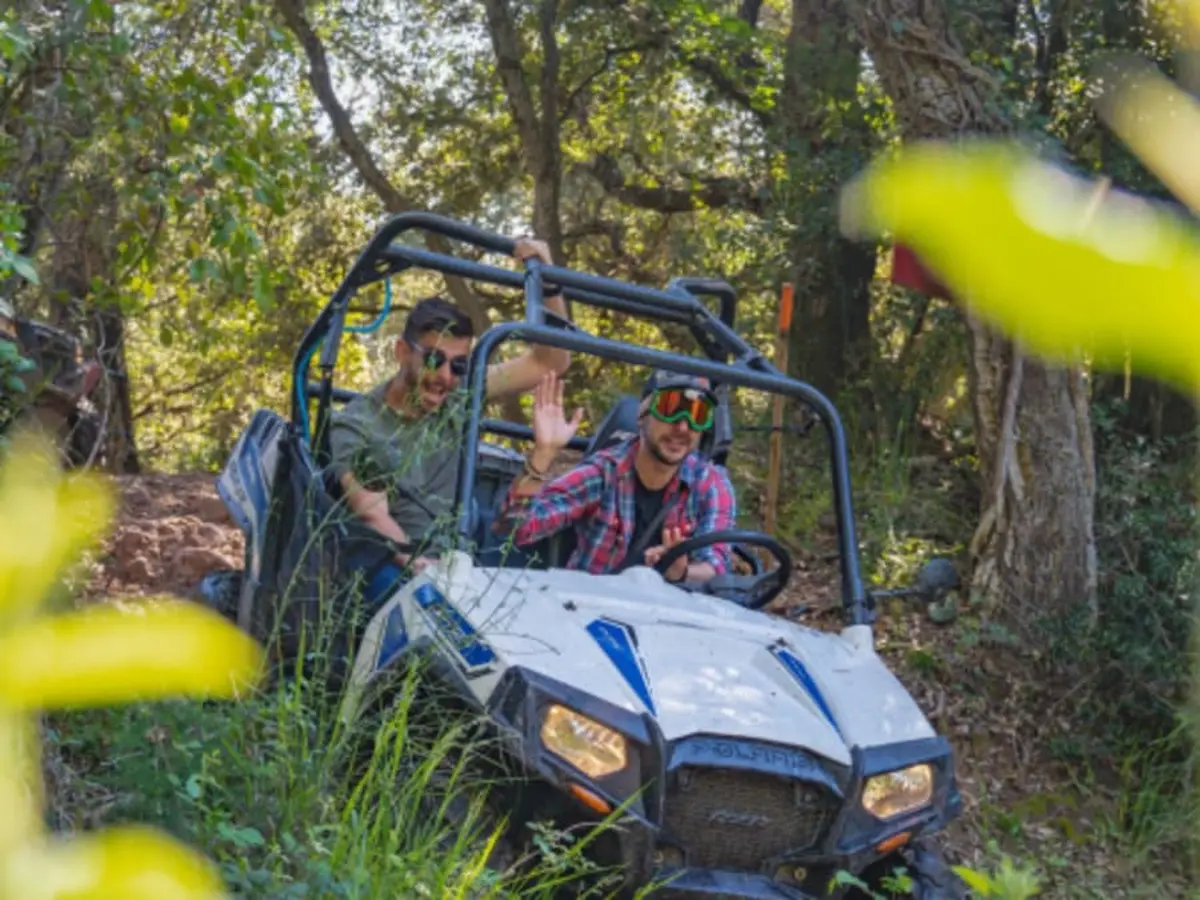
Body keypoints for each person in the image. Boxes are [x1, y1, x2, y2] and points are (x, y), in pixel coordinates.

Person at [329, 237, 571, 576]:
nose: (444, 376)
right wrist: (422, 569)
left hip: (455, 562)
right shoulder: (358, 423)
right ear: (401, 352)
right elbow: (372, 513)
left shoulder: (461, 395)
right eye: (433, 359)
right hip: (390, 562)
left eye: (458, 365)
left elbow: (552, 361)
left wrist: (548, 282)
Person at [495, 368, 738, 582]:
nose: (683, 426)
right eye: (670, 408)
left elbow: (715, 564)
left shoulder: (710, 484)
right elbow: (515, 531)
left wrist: (682, 573)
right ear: (643, 415)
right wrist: (543, 454)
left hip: (669, 622)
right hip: (585, 614)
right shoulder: (604, 474)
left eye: (697, 414)